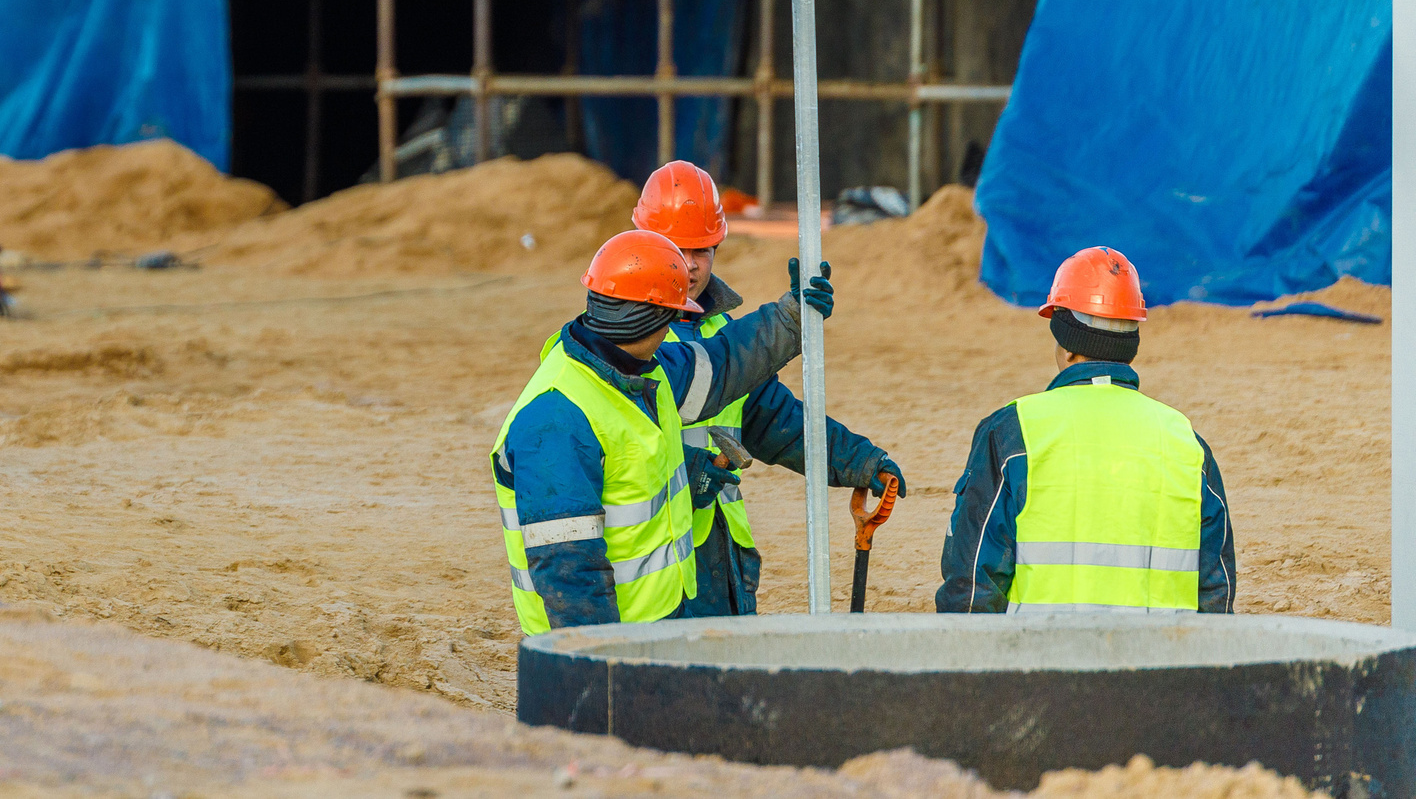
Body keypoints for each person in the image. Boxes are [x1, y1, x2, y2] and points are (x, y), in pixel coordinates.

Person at [492, 225, 835, 633]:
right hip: (603, 648)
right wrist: (600, 667)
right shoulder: (556, 418)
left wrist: (790, 317)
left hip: (655, 628)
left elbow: (722, 363)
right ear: (655, 318)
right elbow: (567, 568)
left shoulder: (636, 368)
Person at [636, 160, 903, 618]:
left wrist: (857, 459)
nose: (691, 264)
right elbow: (629, 444)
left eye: (701, 249)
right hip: (653, 566)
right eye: (677, 250)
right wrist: (683, 477)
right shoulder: (631, 338)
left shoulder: (716, 327)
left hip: (717, 556)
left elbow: (773, 417)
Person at [937, 245, 1235, 614]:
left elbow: (971, 582)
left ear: (1067, 346)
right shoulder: (1185, 443)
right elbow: (1215, 589)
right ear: (1131, 345)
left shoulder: (1013, 432)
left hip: (1041, 664)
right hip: (1162, 665)